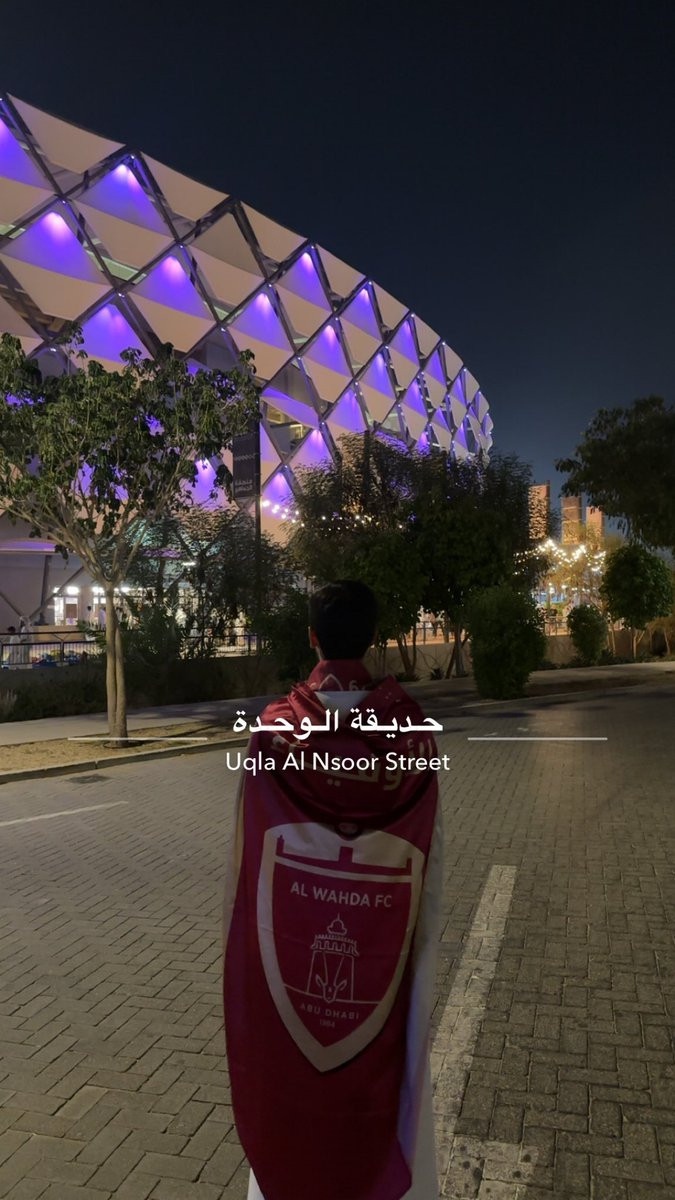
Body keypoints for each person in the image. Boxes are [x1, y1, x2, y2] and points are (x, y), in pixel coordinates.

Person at [223, 580, 442, 1200]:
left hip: (291, 955)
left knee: (291, 1083)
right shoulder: (413, 736)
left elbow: (252, 854)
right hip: (385, 953)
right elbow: (429, 852)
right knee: (389, 1078)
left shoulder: (274, 734)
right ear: (373, 638)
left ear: (312, 637)